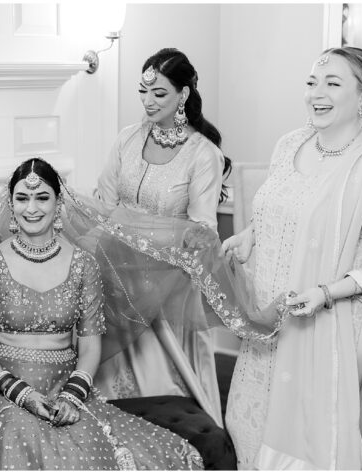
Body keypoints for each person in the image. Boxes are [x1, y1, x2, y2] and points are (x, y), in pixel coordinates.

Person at [0, 158, 203, 470]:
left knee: (89, 451)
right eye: (22, 199)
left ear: (58, 202)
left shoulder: (83, 264)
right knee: (16, 435)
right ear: (11, 205)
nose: (32, 208)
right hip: (3, 389)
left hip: (64, 388)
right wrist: (20, 393)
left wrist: (73, 395)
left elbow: (91, 345)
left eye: (42, 198)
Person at [222, 46, 362, 470]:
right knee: (248, 427)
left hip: (329, 325)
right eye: (311, 82)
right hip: (269, 322)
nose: (316, 93)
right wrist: (252, 235)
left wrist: (327, 293)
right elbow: (287, 210)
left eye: (332, 83)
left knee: (301, 451)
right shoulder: (290, 144)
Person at [93, 48, 230, 424]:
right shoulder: (126, 138)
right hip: (116, 275)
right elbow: (103, 201)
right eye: (143, 92)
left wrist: (161, 253)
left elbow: (202, 230)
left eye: (159, 94)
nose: (148, 102)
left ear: (183, 95)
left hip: (167, 283)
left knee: (161, 393)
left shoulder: (203, 154)